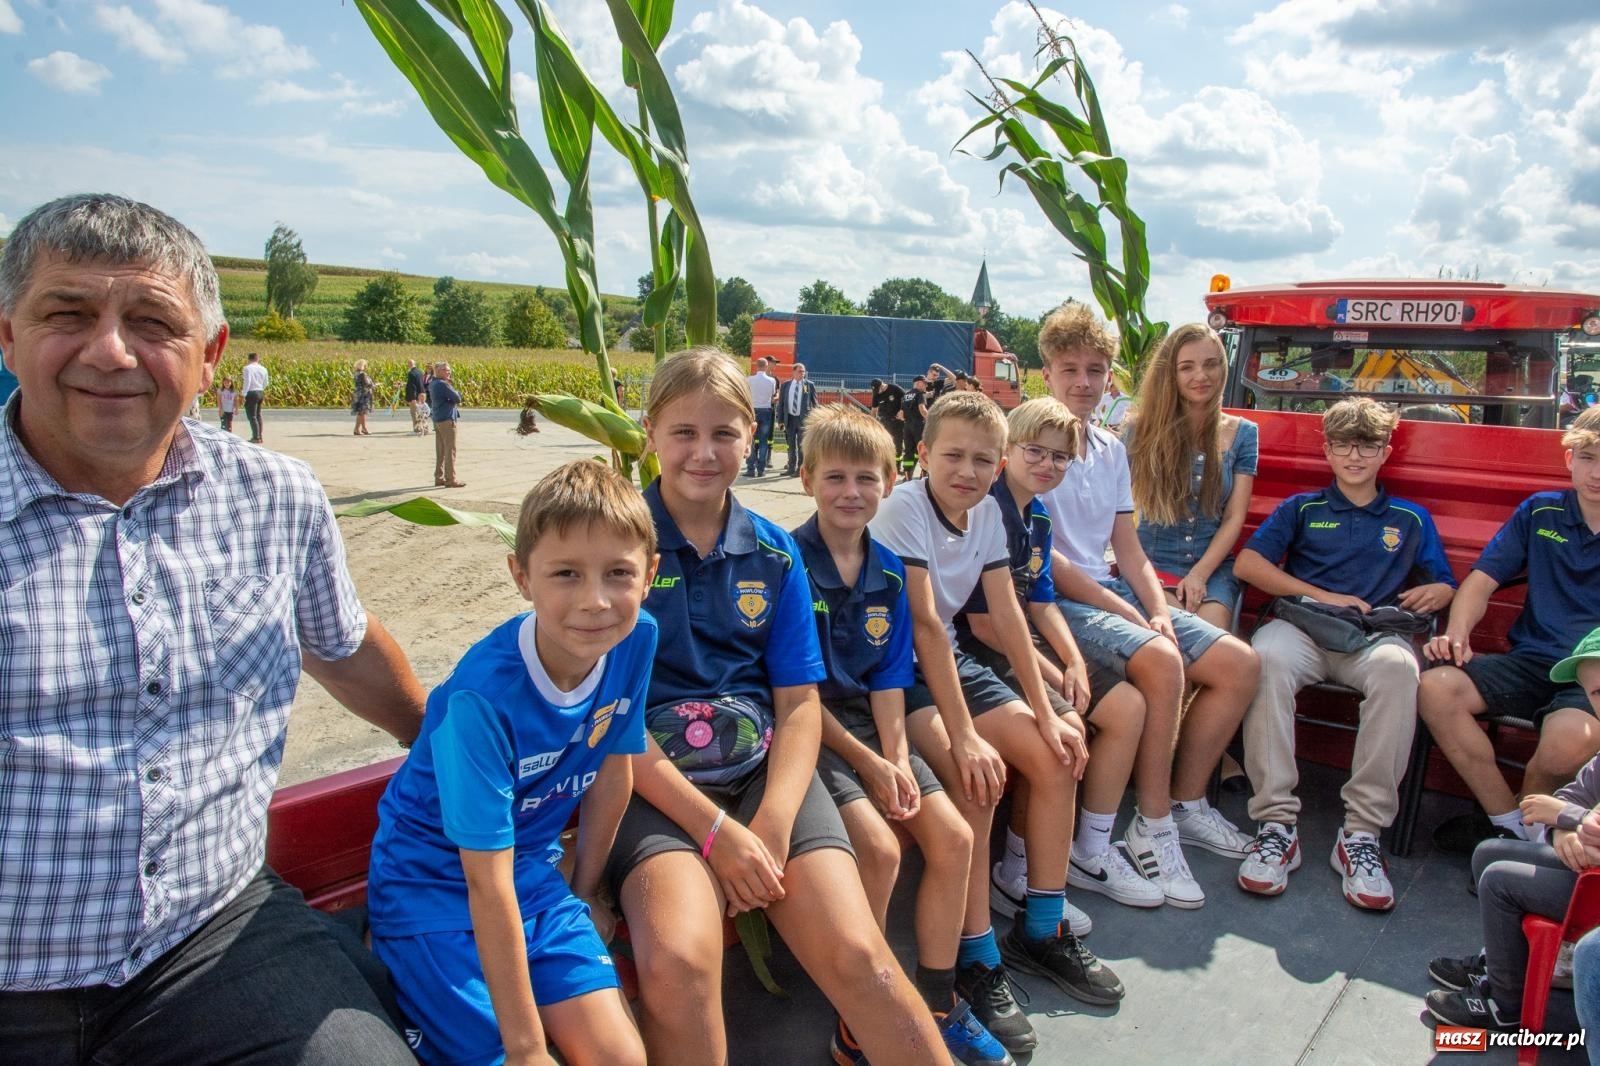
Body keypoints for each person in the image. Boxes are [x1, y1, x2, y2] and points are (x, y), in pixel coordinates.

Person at [0, 193, 426, 1063]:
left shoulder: (274, 497)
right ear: (8, 335)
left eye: (151, 321)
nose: (110, 350)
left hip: (208, 940)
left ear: (210, 356)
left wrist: (446, 742)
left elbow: (342, 646)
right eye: (67, 314)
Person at [604, 348, 944, 1066]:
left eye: (725, 433)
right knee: (679, 965)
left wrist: (774, 823)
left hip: (762, 774)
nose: (704, 452)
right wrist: (717, 835)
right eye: (683, 433)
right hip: (652, 785)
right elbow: (612, 716)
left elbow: (797, 705)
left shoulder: (773, 556)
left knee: (865, 959)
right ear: (650, 434)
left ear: (753, 433)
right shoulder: (616, 548)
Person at [368, 460, 655, 1066]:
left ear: (650, 575)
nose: (596, 601)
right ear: (521, 576)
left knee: (620, 1056)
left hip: (531, 877)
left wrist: (583, 893)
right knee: (495, 1055)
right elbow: (482, 880)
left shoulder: (636, 638)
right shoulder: (483, 699)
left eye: (619, 573)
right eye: (566, 574)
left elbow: (612, 770)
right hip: (434, 885)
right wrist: (528, 1050)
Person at [871, 389, 1119, 1056]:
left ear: (998, 461)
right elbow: (923, 625)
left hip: (949, 660)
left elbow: (1008, 616)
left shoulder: (986, 516)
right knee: (978, 777)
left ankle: (1041, 928)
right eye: (952, 455)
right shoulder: (905, 510)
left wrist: (1049, 712)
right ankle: (976, 958)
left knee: (1059, 750)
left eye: (984, 459)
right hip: (900, 672)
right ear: (922, 455)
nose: (968, 471)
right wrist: (966, 734)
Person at [794, 405, 1013, 1066]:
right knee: (881, 849)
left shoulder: (888, 570)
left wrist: (895, 757)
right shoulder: (786, 566)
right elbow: (796, 694)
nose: (851, 492)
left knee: (953, 836)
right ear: (806, 481)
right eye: (834, 477)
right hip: (812, 728)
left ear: (892, 481)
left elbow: (890, 679)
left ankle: (939, 1001)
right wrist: (869, 759)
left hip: (871, 724)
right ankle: (862, 1016)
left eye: (867, 478)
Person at [1038, 302, 1260, 910]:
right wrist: (1132, 612)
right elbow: (1038, 555)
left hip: (1112, 586)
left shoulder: (1110, 448)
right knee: (1162, 662)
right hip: (1057, 598)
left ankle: (1187, 804)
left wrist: (1155, 605)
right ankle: (1151, 823)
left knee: (1239, 665)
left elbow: (1127, 546)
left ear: (1110, 375)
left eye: (1095, 369)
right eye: (1069, 370)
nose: (1083, 383)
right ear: (1047, 374)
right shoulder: (1030, 444)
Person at [1233, 397, 1457, 910]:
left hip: (1372, 639)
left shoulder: (1410, 517)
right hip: (1305, 631)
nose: (1354, 457)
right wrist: (1323, 596)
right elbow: (1248, 564)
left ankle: (1360, 835)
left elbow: (1444, 582)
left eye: (1367, 446)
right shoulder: (1302, 507)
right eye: (1342, 446)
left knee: (1402, 670)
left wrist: (1441, 593)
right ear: (1327, 451)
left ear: (1386, 451)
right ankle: (1275, 825)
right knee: (1263, 657)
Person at [962, 399, 1159, 922]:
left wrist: (1071, 659)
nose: (1047, 465)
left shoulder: (1039, 517)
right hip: (988, 646)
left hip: (1027, 638)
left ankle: (1090, 848)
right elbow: (987, 625)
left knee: (1128, 708)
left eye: (1060, 458)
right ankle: (1016, 872)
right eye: (1035, 451)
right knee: (1063, 731)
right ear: (1008, 451)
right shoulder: (990, 511)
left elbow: (1043, 602)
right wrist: (1049, 676)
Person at [1419, 406, 1600, 847]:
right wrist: (1457, 633)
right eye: (1589, 457)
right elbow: (1481, 581)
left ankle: (1526, 839)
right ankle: (1509, 824)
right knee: (1434, 688)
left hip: (1590, 674)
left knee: (1565, 745)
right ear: (1569, 460)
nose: (1597, 472)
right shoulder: (1540, 512)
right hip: (1531, 660)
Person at [1425, 627, 1600, 1031]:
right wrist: (1565, 832)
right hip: (1589, 868)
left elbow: (1564, 809)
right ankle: (1500, 963)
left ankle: (1506, 1004)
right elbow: (1570, 799)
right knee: (1489, 852)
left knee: (1501, 882)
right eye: (1595, 695)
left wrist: (1567, 819)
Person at [1125, 323, 1259, 632]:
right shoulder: (1139, 430)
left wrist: (1199, 574)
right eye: (1187, 367)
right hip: (1150, 564)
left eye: (1211, 364)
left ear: (1223, 368)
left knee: (1215, 641)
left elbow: (1234, 517)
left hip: (1212, 568)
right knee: (1176, 639)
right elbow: (1116, 507)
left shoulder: (1244, 434)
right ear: (1170, 374)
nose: (1201, 376)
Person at [777, 361, 818, 476]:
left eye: (804, 371)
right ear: (793, 372)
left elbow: (815, 403)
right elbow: (781, 404)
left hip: (803, 420)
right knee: (790, 445)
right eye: (800, 371)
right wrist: (780, 420)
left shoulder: (809, 385)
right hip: (789, 419)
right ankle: (790, 467)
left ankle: (799, 470)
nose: (802, 373)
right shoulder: (786, 385)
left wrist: (815, 419)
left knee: (801, 445)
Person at [429, 361, 464, 488]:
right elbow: (457, 398)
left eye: (449, 370)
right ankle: (451, 479)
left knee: (441, 450)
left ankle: (439, 477)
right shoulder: (443, 384)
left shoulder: (433, 383)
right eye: (445, 370)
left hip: (438, 419)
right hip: (447, 420)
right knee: (450, 450)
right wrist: (454, 391)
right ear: (438, 371)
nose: (448, 372)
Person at [746, 356, 777, 477]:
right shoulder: (772, 381)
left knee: (751, 439)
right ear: (765, 366)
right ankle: (761, 469)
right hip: (766, 410)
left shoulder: (749, 379)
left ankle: (750, 468)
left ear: (756, 366)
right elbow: (772, 394)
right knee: (764, 441)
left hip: (753, 410)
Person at [900, 374, 929, 479]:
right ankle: (924, 474)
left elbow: (901, 415)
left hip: (907, 426)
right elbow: (922, 409)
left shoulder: (905, 395)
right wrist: (931, 419)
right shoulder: (920, 394)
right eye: (924, 383)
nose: (926, 385)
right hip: (918, 425)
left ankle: (907, 475)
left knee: (908, 451)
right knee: (922, 448)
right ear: (918, 383)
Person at [870, 376, 905, 458]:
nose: (877, 392)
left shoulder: (894, 388)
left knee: (897, 443)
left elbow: (906, 399)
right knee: (883, 441)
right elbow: (874, 410)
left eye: (877, 389)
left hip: (897, 421)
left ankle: (897, 464)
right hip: (884, 421)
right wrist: (872, 423)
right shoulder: (876, 394)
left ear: (882, 386)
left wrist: (902, 411)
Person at [241, 348, 267, 443]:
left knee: (252, 416)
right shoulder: (263, 368)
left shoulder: (247, 368)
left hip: (251, 392)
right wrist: (261, 388)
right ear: (257, 359)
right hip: (260, 391)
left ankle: (256, 437)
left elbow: (247, 382)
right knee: (258, 415)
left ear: (249, 359)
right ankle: (259, 435)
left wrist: (243, 394)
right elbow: (266, 382)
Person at [351, 358, 375, 437]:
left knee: (361, 413)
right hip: (363, 395)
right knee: (362, 412)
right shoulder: (362, 374)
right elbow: (366, 384)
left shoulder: (356, 373)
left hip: (358, 394)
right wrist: (374, 385)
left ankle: (360, 428)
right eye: (365, 365)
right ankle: (360, 429)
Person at [404, 358, 427, 435]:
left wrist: (413, 398)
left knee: (414, 413)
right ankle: (424, 428)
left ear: (410, 364)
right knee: (421, 413)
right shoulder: (420, 371)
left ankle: (416, 429)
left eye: (408, 364)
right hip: (422, 393)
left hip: (416, 396)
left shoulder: (411, 373)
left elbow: (412, 387)